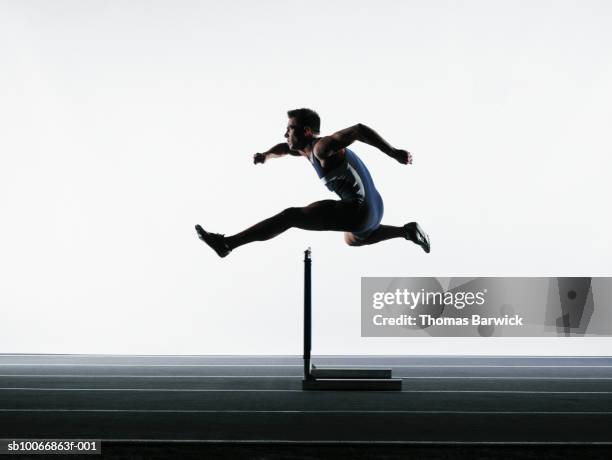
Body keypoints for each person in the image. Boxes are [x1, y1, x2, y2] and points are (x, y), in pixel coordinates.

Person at [195, 108, 430, 258]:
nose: (285, 134)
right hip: (375, 209)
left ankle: (227, 244)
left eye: (289, 129)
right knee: (351, 239)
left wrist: (394, 153)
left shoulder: (321, 147)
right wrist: (266, 155)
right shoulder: (306, 150)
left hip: (359, 210)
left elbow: (358, 130)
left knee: (290, 216)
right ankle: (405, 231)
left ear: (306, 131)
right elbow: (284, 149)